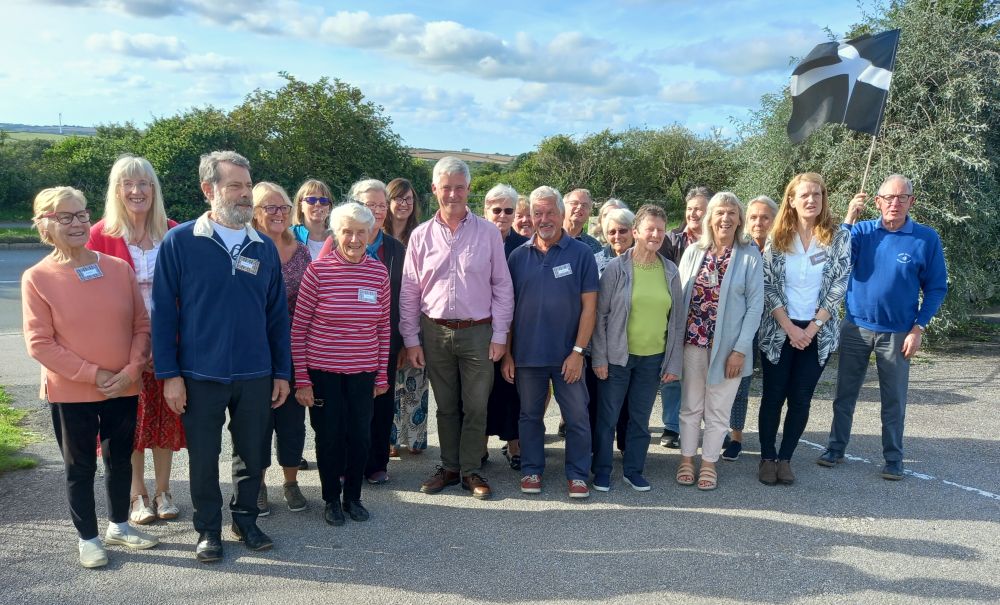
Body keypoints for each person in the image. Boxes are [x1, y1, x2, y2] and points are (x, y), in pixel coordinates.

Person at [152, 151, 290, 562]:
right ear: (209, 190)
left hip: (255, 374)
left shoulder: (263, 246)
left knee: (251, 453)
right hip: (199, 374)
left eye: (248, 186)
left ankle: (245, 519)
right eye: (235, 186)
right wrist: (169, 374)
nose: (245, 194)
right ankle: (208, 529)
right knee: (204, 456)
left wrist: (281, 372)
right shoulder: (180, 242)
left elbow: (277, 316)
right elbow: (162, 312)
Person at [23, 186, 158, 568]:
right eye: (65, 217)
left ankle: (119, 524)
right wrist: (92, 374)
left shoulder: (117, 269)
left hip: (125, 385)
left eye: (82, 214)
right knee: (79, 466)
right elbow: (40, 343)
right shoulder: (37, 278)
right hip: (72, 391)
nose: (78, 223)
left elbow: (141, 325)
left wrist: (132, 369)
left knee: (120, 461)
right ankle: (88, 537)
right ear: (44, 226)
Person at [818, 174, 947, 480]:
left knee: (893, 400)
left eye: (902, 197)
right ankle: (836, 448)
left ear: (911, 202)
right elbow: (835, 258)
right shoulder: (861, 232)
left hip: (899, 333)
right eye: (888, 197)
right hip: (856, 327)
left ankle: (893, 458)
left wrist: (919, 328)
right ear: (877, 201)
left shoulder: (926, 239)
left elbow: (936, 287)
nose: (895, 203)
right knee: (844, 394)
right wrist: (849, 217)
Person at [399, 156, 514, 500]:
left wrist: (500, 335)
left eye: (459, 187)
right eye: (446, 187)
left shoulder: (488, 232)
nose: (453, 194)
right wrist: (410, 338)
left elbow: (502, 286)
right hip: (433, 331)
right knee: (446, 405)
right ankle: (449, 467)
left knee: (476, 405)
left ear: (468, 189)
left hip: (479, 331)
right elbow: (410, 290)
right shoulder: (420, 236)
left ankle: (471, 470)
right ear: (434, 190)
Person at [86, 155, 183, 524]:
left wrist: (168, 345)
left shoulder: (172, 232)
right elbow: (92, 296)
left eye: (144, 183)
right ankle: (136, 493)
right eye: (127, 184)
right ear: (116, 191)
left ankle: (163, 490)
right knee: (128, 422)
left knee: (162, 420)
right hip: (121, 347)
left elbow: (184, 294)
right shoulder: (100, 235)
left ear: (154, 189)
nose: (136, 190)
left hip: (166, 344)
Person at [292, 203, 390, 526]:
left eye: (361, 232)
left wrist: (381, 374)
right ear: (336, 233)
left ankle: (354, 498)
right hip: (324, 374)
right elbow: (299, 328)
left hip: (363, 373)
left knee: (360, 436)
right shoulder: (317, 272)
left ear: (369, 234)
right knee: (330, 436)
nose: (354, 239)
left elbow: (383, 327)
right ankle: (331, 499)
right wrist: (302, 380)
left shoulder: (378, 273)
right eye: (347, 231)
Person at [504, 186, 599, 499]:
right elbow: (508, 309)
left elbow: (590, 308)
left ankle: (577, 474)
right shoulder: (518, 257)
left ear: (561, 214)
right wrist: (507, 353)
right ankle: (532, 469)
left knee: (577, 418)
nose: (543, 219)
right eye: (537, 213)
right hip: (527, 355)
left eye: (549, 212)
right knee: (529, 416)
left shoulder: (581, 254)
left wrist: (578, 352)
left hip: (567, 356)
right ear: (531, 215)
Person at [756, 174, 851, 485]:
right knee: (773, 396)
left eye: (818, 194)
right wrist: (789, 327)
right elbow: (768, 284)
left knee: (800, 399)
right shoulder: (777, 237)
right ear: (792, 201)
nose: (812, 200)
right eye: (805, 195)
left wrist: (812, 328)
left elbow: (839, 284)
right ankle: (767, 458)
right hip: (779, 329)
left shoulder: (837, 236)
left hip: (817, 331)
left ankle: (785, 459)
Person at [319, 179, 406, 485]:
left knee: (381, 405)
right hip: (344, 347)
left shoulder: (395, 248)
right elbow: (323, 286)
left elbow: (405, 296)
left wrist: (406, 340)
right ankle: (344, 465)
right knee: (346, 409)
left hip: (383, 338)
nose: (378, 211)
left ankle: (376, 463)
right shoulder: (337, 242)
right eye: (370, 205)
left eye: (382, 204)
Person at [591, 204, 684, 492]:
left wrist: (673, 363)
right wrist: (600, 357)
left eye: (660, 229)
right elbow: (600, 317)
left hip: (652, 359)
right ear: (636, 232)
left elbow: (678, 321)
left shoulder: (670, 271)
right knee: (608, 418)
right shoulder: (616, 269)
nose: (655, 234)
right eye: (650, 229)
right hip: (618, 358)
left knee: (640, 420)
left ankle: (634, 470)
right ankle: (603, 470)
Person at [675, 192, 763, 491]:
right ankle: (687, 459)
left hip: (729, 349)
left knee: (718, 409)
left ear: (739, 219)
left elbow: (755, 306)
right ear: (709, 217)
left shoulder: (749, 255)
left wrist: (740, 350)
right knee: (690, 406)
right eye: (719, 213)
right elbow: (679, 299)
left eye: (731, 213)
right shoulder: (693, 252)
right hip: (692, 343)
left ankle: (709, 462)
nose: (725, 218)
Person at [250, 182, 311, 513]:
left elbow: (312, 299)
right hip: (254, 348)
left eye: (284, 208)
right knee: (255, 421)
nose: (278, 214)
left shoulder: (300, 249)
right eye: (270, 208)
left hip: (292, 348)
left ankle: (290, 482)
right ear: (256, 213)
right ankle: (257, 486)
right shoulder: (247, 248)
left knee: (291, 422)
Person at [723, 195, 778, 461]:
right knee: (738, 382)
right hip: (743, 326)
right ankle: (735, 436)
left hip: (776, 328)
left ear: (774, 220)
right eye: (754, 216)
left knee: (772, 388)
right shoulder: (739, 248)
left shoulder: (782, 249)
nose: (759, 222)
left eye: (765, 217)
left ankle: (769, 441)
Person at [660, 186, 712, 449]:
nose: (693, 213)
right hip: (676, 315)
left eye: (699, 209)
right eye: (690, 208)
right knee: (673, 372)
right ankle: (671, 425)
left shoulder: (720, 241)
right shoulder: (672, 239)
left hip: (707, 319)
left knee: (707, 375)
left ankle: (712, 426)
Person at [482, 184, 528, 470]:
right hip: (478, 327)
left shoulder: (523, 247)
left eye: (508, 210)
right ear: (485, 210)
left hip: (513, 329)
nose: (502, 215)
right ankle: (479, 445)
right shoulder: (474, 241)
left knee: (511, 388)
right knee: (478, 390)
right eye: (496, 210)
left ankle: (514, 444)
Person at [385, 178, 430, 458]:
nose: (404, 204)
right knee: (388, 382)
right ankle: (389, 438)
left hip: (416, 319)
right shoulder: (376, 237)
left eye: (409, 199)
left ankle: (414, 438)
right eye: (398, 198)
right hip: (386, 322)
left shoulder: (422, 235)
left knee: (414, 380)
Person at [592, 204, 635, 451]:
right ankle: (600, 453)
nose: (617, 237)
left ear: (633, 231)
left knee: (629, 403)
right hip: (602, 343)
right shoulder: (596, 260)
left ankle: (627, 448)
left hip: (634, 343)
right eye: (612, 232)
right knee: (603, 403)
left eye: (623, 230)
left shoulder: (645, 261)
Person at [290, 179, 333, 260]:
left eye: (323, 201)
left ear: (329, 207)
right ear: (301, 206)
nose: (318, 204)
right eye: (311, 200)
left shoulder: (339, 238)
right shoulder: (289, 236)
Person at [563, 189, 603, 254]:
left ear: (589, 212)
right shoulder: (549, 238)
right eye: (574, 203)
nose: (579, 207)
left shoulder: (594, 246)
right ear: (563, 207)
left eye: (584, 205)